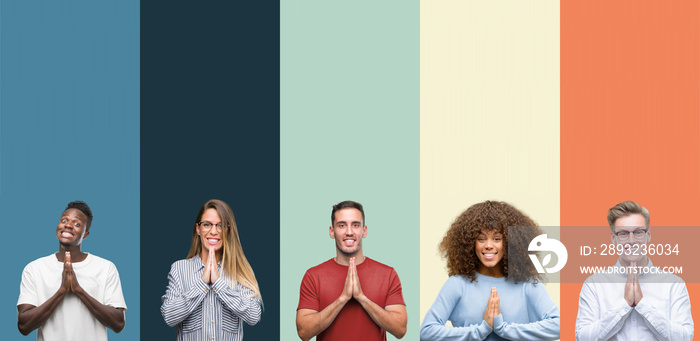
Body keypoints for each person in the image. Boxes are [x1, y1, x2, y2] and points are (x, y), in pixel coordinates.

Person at [420, 200, 560, 341]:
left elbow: (558, 325)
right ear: (470, 244)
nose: (488, 245)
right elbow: (427, 332)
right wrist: (482, 330)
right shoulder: (457, 284)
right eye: (481, 239)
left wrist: (503, 329)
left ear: (511, 242)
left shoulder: (527, 284)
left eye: (497, 238)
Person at [575, 200, 693, 340]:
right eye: (624, 233)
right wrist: (624, 305)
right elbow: (582, 338)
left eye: (638, 232)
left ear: (648, 235)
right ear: (614, 238)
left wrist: (642, 305)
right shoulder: (594, 284)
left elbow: (685, 338)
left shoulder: (674, 284)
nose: (631, 241)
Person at [296, 200, 407, 341]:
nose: (349, 232)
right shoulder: (313, 276)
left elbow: (400, 330)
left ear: (364, 231)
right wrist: (343, 298)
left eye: (355, 225)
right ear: (332, 231)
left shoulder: (388, 274)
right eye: (342, 225)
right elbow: (303, 332)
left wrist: (361, 298)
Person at [17, 201, 127, 340]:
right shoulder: (34, 269)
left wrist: (78, 289)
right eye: (64, 220)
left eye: (77, 223)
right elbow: (24, 326)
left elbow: (118, 324)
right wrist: (62, 291)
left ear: (85, 234)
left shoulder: (105, 268)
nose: (68, 225)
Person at [161, 199, 262, 341]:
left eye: (220, 225)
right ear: (198, 229)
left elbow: (253, 316)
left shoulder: (239, 271)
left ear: (228, 230)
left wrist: (218, 283)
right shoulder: (180, 269)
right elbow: (169, 316)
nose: (213, 231)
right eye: (207, 224)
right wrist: (202, 284)